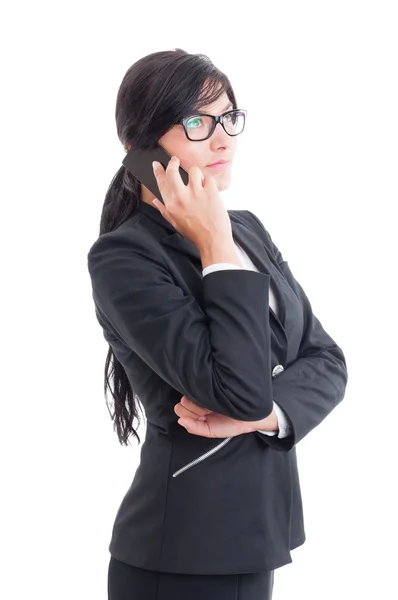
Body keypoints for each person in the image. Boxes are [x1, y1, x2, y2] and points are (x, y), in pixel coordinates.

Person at [87, 48, 348, 600]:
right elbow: (237, 389)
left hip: (254, 536)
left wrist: (262, 417)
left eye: (228, 117)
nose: (224, 139)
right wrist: (213, 246)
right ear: (139, 146)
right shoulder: (124, 259)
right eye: (198, 122)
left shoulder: (246, 229)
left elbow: (327, 360)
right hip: (180, 553)